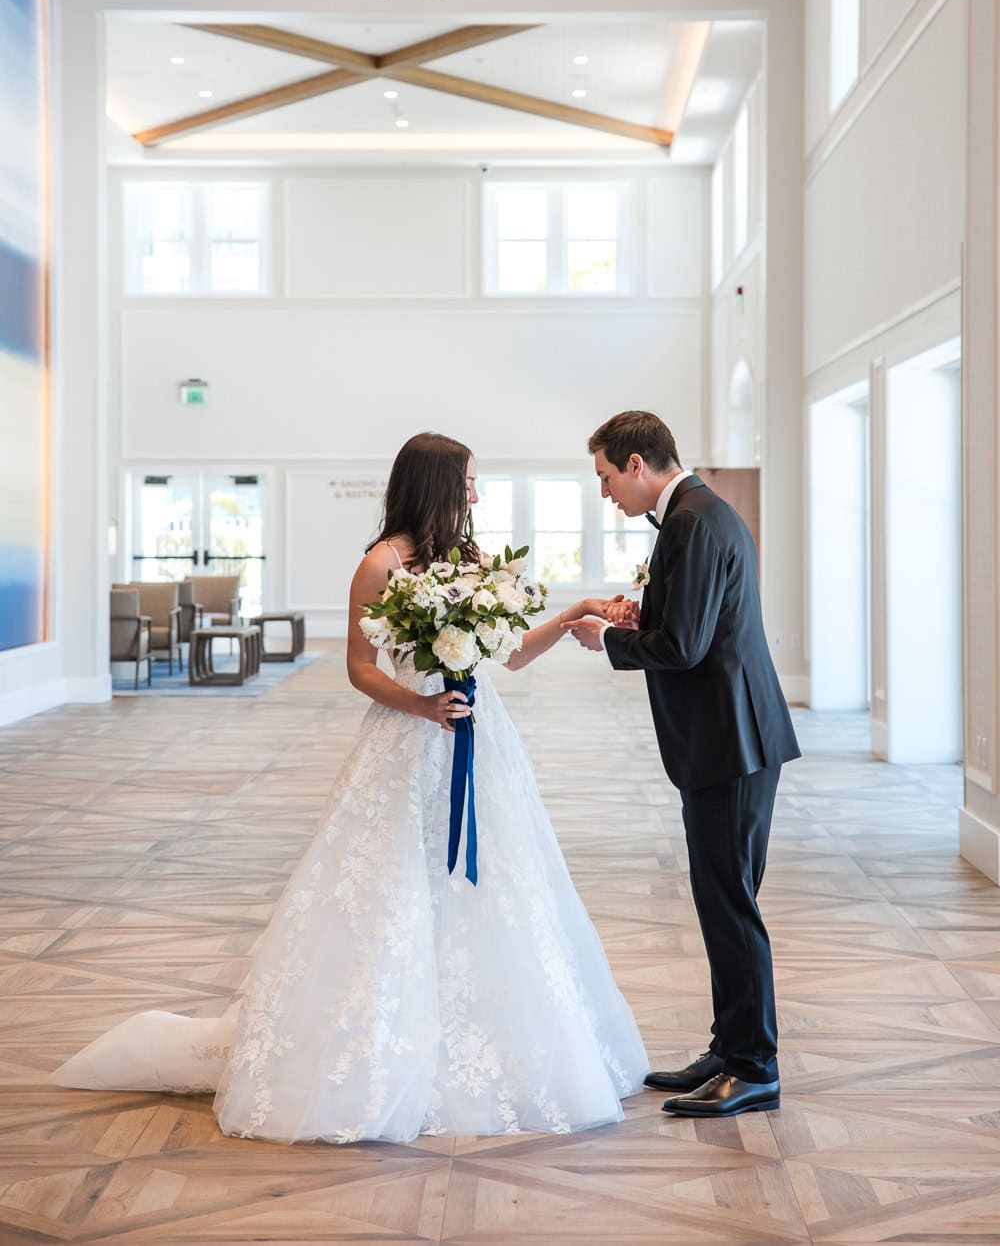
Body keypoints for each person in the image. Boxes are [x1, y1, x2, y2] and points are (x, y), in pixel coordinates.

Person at [54, 431, 647, 1144]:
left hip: (478, 741)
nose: (476, 495)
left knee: (490, 887)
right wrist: (422, 705)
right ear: (433, 485)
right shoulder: (382, 563)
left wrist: (577, 611)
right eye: (466, 483)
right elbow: (360, 668)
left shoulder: (476, 563)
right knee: (390, 884)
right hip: (407, 739)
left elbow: (511, 656)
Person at [564, 411, 800, 1118]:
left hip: (730, 741)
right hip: (736, 737)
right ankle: (729, 1048)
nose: (605, 492)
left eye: (606, 476)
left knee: (729, 904)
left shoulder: (692, 522)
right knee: (724, 899)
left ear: (638, 465)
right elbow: (694, 627)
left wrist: (606, 639)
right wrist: (647, 618)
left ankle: (754, 1065)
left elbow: (686, 650)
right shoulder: (700, 514)